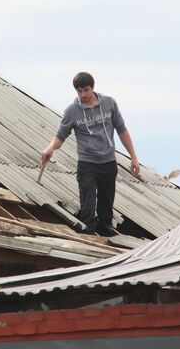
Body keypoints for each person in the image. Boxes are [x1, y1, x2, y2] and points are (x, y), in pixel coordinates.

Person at [41, 72, 140, 236]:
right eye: (79, 91)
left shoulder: (109, 104)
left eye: (86, 90)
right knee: (88, 204)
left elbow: (122, 130)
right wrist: (50, 148)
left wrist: (134, 158)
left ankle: (106, 232)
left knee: (106, 205)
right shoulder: (72, 111)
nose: (83, 95)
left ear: (92, 88)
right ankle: (88, 233)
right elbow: (60, 135)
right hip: (87, 163)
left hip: (108, 161)